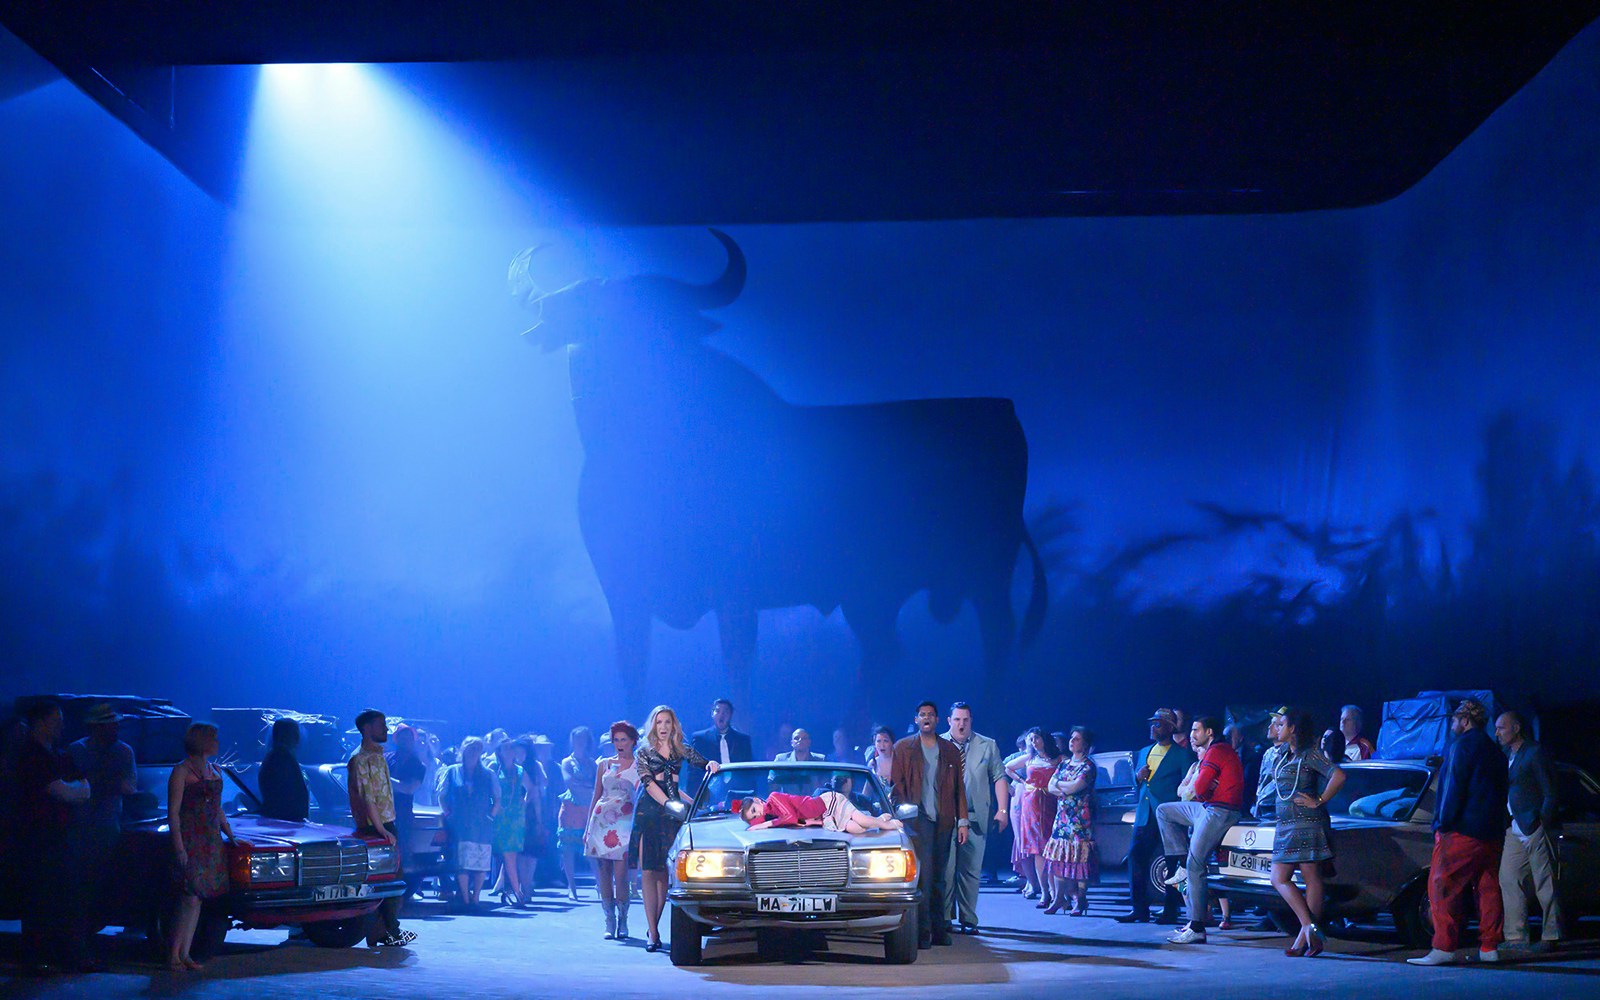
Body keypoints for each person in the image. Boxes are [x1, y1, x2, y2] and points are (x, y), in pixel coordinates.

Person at [1409, 698, 1509, 966]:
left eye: (1454, 719)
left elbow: (1453, 789)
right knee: (1487, 887)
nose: (1452, 724)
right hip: (1491, 832)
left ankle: (1443, 946)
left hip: (1462, 830)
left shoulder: (1461, 746)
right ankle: (1489, 947)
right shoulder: (1496, 750)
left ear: (1465, 720)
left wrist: (1443, 823)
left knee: (1442, 885)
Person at [633, 705, 720, 952]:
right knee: (649, 872)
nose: (663, 727)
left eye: (667, 723)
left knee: (665, 874)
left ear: (674, 726)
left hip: (673, 814)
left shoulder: (681, 750)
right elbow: (649, 784)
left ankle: (654, 926)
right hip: (649, 812)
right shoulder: (644, 752)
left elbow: (703, 764)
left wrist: (711, 764)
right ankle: (653, 932)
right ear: (653, 725)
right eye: (659, 722)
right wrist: (671, 804)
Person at [16, 700, 93, 974]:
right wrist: (71, 788)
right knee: (41, 900)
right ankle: (38, 959)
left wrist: (71, 788)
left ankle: (65, 956)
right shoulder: (31, 757)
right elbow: (66, 792)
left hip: (60, 839)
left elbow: (84, 789)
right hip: (38, 841)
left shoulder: (59, 756)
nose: (61, 725)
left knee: (66, 899)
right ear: (40, 722)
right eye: (56, 720)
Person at [1156, 716, 1244, 943]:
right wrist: (1202, 790)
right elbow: (1193, 790)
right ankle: (1181, 861)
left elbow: (1198, 788)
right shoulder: (1210, 753)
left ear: (1210, 732)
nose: (1192, 734)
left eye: (1196, 730)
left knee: (1196, 865)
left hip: (1220, 810)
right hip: (1206, 807)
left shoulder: (1217, 751)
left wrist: (1202, 790)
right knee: (1164, 811)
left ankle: (1197, 927)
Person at [891, 700, 969, 949]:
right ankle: (922, 932)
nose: (926, 718)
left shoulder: (949, 750)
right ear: (916, 720)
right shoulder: (903, 748)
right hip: (918, 819)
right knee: (923, 876)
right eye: (922, 715)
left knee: (940, 877)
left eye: (931, 715)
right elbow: (897, 786)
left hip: (944, 819)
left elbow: (959, 789)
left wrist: (963, 821)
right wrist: (902, 817)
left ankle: (939, 928)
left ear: (937, 720)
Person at [1268, 706, 1345, 958]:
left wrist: (1319, 799)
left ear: (1293, 729)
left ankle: (1305, 937)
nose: (1277, 728)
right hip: (1285, 825)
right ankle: (1310, 928)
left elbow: (1339, 775)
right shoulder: (1283, 755)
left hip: (1307, 822)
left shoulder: (1310, 754)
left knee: (1311, 878)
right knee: (1279, 878)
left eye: (1282, 724)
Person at [1115, 708, 1196, 925]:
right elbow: (1139, 781)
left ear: (1170, 727)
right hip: (1145, 815)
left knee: (1174, 864)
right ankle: (1139, 908)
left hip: (1169, 816)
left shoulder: (1182, 754)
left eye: (1158, 724)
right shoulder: (1144, 751)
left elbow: (1188, 787)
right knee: (1135, 858)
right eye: (1152, 723)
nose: (1153, 727)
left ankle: (1172, 910)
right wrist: (1137, 776)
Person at [1495, 710, 1562, 953]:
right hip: (1514, 827)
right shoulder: (1506, 755)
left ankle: (1551, 935)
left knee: (1545, 882)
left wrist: (1541, 821)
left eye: (1502, 727)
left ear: (1516, 727)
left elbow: (1550, 791)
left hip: (1532, 825)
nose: (1498, 733)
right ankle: (1515, 936)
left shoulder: (1534, 752)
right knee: (1509, 877)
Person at [168, 722, 231, 971]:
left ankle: (185, 953)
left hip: (209, 839)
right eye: (213, 739)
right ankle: (174, 953)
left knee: (198, 898)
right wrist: (179, 848)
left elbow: (217, 808)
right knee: (189, 897)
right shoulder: (181, 771)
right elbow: (173, 813)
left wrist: (230, 834)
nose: (217, 743)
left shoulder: (215, 770)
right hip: (191, 837)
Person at [348, 709, 414, 948]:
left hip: (387, 824)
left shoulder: (378, 756)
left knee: (393, 879)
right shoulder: (361, 758)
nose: (385, 729)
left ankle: (385, 930)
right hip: (375, 827)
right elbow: (368, 799)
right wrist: (382, 830)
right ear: (367, 728)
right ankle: (387, 931)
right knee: (386, 880)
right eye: (381, 725)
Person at [942, 701, 1009, 934]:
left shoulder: (987, 745)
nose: (961, 724)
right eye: (957, 720)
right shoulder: (936, 745)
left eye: (966, 720)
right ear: (949, 721)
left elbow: (1000, 777)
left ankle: (968, 919)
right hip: (946, 818)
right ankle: (944, 917)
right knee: (946, 870)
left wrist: (1003, 810)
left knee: (970, 871)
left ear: (971, 721)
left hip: (976, 817)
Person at [66, 702, 138, 915]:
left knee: (101, 877)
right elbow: (72, 784)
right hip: (77, 826)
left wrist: (93, 780)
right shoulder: (77, 750)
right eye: (109, 725)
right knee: (77, 881)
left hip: (108, 827)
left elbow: (129, 787)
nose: (115, 729)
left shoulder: (124, 751)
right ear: (95, 727)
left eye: (115, 724)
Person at [585, 721, 640, 940]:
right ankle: (609, 920)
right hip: (601, 820)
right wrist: (588, 826)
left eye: (623, 740)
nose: (619, 744)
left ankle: (624, 919)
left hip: (625, 821)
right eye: (616, 740)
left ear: (632, 741)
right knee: (604, 871)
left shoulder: (638, 764)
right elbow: (596, 794)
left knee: (621, 873)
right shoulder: (604, 764)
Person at [440, 734, 500, 910]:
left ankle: (476, 897)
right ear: (463, 750)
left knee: (480, 860)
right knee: (462, 861)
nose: (474, 752)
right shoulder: (452, 771)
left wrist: (490, 816)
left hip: (482, 824)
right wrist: (448, 814)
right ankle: (465, 900)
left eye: (477, 749)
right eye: (471, 748)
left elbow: (497, 798)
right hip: (460, 824)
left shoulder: (488, 774)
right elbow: (442, 795)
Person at [1042, 726, 1097, 917]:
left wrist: (1061, 786)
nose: (1072, 742)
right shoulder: (1064, 765)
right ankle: (1059, 898)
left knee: (1079, 860)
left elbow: (1075, 786)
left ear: (1085, 743)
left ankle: (1080, 900)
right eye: (1072, 738)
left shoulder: (1088, 766)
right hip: (1062, 819)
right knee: (1059, 856)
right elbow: (1050, 786)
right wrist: (1062, 787)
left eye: (1077, 739)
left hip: (1080, 821)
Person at [1005, 727, 1059, 909]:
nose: (1034, 742)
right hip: (1032, 804)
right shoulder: (1030, 758)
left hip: (1052, 802)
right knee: (1037, 848)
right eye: (1031, 739)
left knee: (1053, 847)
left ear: (1044, 738)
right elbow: (1008, 767)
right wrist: (1022, 782)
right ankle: (1044, 891)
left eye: (1036, 738)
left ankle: (1057, 892)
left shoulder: (1057, 758)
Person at [488, 738, 536, 907]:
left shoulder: (520, 771)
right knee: (502, 855)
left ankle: (516, 891)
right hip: (498, 817)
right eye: (505, 749)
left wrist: (524, 800)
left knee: (510, 855)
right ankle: (511, 889)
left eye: (511, 749)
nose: (509, 752)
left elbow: (531, 789)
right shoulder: (494, 769)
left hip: (515, 819)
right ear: (499, 751)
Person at [558, 726, 598, 901]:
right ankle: (571, 887)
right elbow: (569, 783)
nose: (580, 742)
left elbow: (598, 786)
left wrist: (586, 788)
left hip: (589, 809)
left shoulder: (592, 763)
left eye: (583, 738)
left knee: (591, 849)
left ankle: (600, 885)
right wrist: (587, 788)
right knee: (568, 849)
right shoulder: (567, 761)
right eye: (577, 738)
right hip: (571, 809)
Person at [387, 726, 427, 879]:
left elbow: (409, 788)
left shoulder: (418, 765)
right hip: (383, 812)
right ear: (396, 740)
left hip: (403, 813)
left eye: (408, 739)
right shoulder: (387, 758)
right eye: (402, 738)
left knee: (404, 850)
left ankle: (407, 887)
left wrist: (384, 779)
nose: (405, 742)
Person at [258, 718, 309, 823]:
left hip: (286, 821)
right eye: (294, 732)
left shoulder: (278, 756)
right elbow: (287, 793)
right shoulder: (280, 758)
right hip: (285, 822)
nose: (298, 737)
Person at [689, 698, 754, 777]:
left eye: (725, 712)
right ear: (712, 714)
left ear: (731, 715)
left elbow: (749, 771)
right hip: (710, 787)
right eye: (718, 711)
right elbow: (693, 771)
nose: (721, 715)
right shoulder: (700, 739)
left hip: (738, 787)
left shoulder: (743, 741)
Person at [866, 726, 896, 791]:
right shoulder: (873, 764)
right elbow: (867, 791)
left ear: (892, 743)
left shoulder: (900, 761)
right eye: (878, 741)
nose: (882, 745)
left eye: (885, 741)